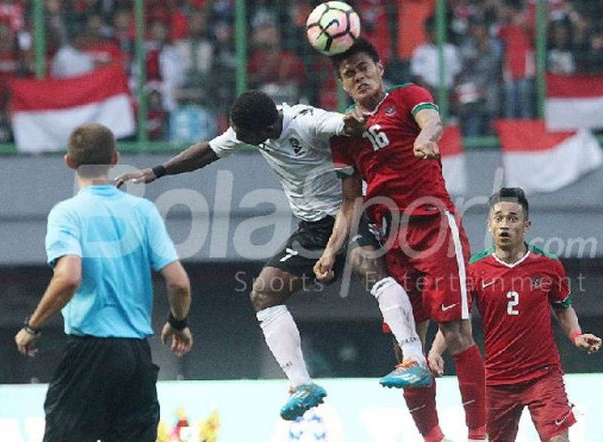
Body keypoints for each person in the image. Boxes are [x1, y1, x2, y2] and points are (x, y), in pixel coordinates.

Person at [115, 90, 431, 421]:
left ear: (264, 130)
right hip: (312, 228)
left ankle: (413, 358)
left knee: (366, 264)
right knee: (264, 293)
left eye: (242, 135)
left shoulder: (307, 123)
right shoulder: (252, 127)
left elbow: (341, 124)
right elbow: (207, 152)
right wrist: (155, 172)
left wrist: (351, 122)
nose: (237, 139)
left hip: (351, 210)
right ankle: (301, 384)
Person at [315, 38, 491, 442]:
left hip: (434, 230)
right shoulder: (345, 136)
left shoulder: (408, 96)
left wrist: (427, 138)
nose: (358, 77)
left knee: (456, 332)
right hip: (392, 241)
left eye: (363, 67)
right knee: (405, 348)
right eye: (348, 73)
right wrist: (330, 250)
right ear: (343, 83)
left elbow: (433, 121)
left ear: (379, 65)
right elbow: (350, 201)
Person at [14, 123, 193, 442]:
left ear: (69, 161)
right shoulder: (143, 212)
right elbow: (179, 282)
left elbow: (68, 278)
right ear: (115, 159)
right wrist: (178, 321)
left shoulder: (67, 214)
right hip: (136, 357)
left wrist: (32, 326)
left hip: (90, 351)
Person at [429, 187, 603, 442]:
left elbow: (563, 307)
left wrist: (577, 335)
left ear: (526, 225)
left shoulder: (548, 265)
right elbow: (457, 318)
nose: (505, 225)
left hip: (542, 375)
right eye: (498, 218)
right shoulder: (476, 268)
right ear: (489, 224)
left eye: (512, 218)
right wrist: (436, 351)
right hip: (496, 380)